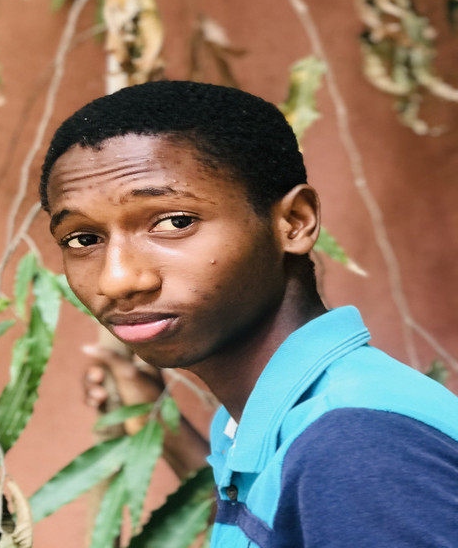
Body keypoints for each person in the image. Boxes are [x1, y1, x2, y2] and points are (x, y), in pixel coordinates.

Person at [39, 81, 458, 547]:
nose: (117, 279)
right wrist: (157, 417)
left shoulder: (355, 442)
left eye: (175, 222)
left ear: (294, 222)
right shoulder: (269, 419)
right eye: (83, 239)